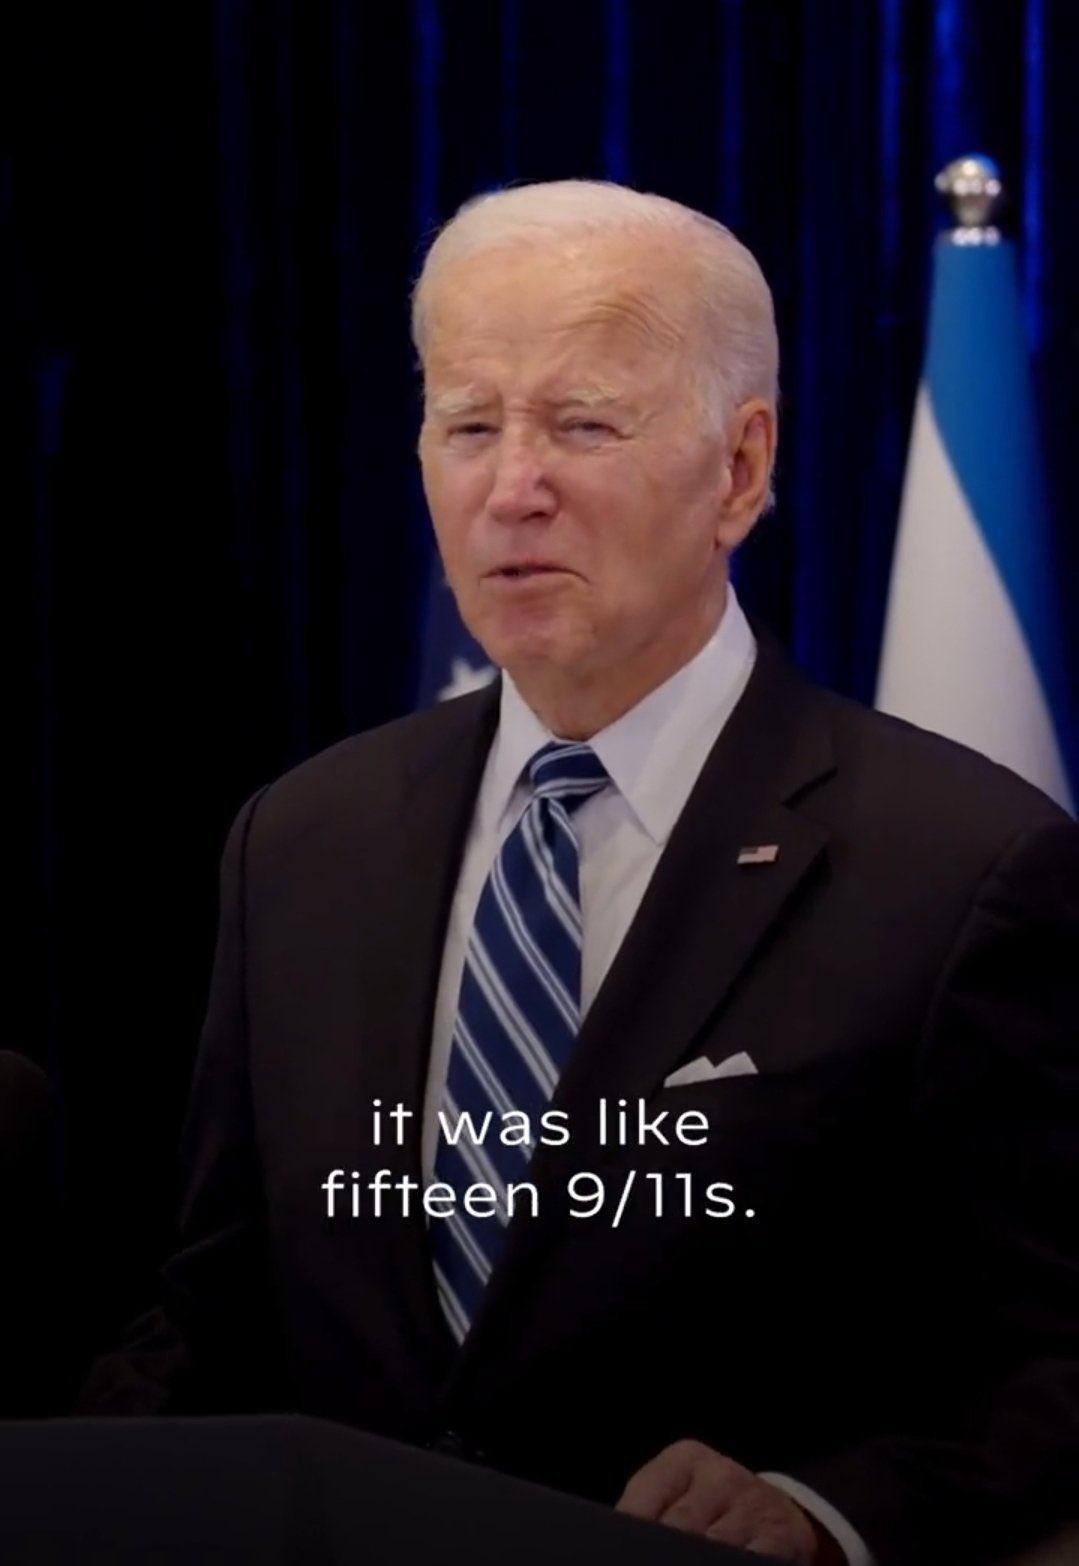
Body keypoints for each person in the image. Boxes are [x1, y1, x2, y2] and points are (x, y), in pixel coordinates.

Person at [79, 181, 1079, 1566]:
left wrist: (824, 1506)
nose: (511, 489)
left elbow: (1051, 1361)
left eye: (584, 425)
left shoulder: (965, 865)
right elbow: (216, 1312)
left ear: (740, 470)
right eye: (469, 425)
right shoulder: (299, 841)